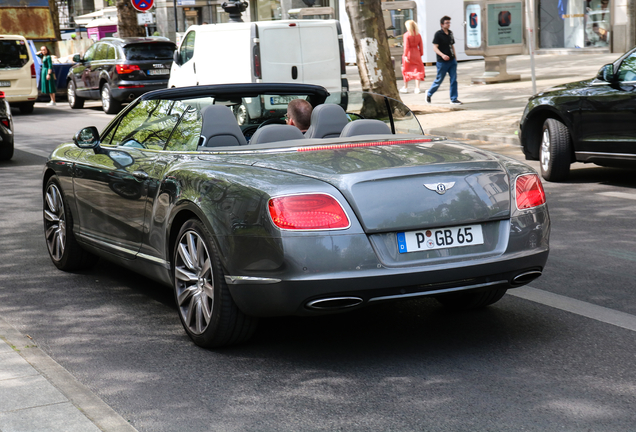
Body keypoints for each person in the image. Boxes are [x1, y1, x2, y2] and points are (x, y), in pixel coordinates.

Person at [426, 16, 462, 105]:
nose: (448, 24)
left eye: (449, 23)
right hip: (442, 62)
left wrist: (455, 58)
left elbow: (452, 46)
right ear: (442, 24)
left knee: (454, 79)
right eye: (447, 23)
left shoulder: (450, 33)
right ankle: (429, 93)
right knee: (439, 79)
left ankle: (454, 99)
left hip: (452, 60)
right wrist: (442, 55)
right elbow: (435, 47)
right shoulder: (438, 34)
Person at [399, 20, 425, 94]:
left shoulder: (406, 35)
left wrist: (405, 55)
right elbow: (421, 45)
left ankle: (405, 87)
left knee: (406, 70)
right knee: (417, 70)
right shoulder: (418, 35)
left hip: (409, 53)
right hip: (416, 53)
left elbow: (406, 46)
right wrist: (420, 53)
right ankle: (417, 88)